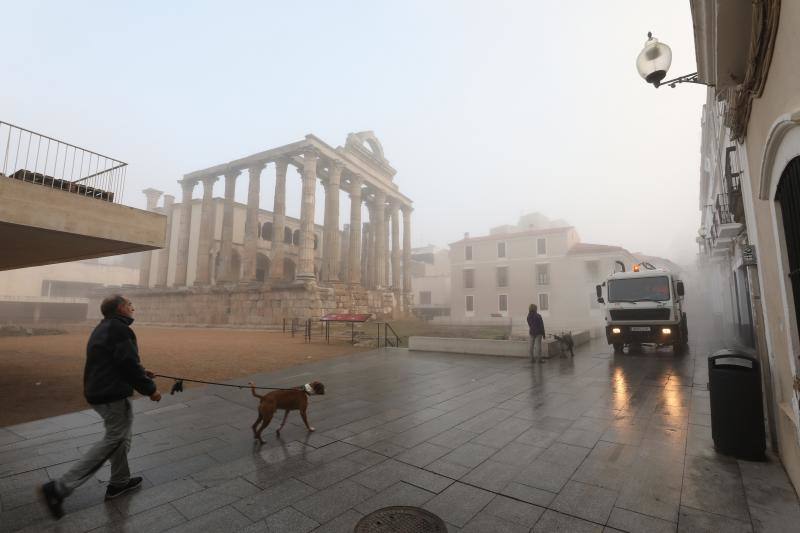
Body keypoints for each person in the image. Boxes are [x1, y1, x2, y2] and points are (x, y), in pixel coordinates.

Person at [40, 295, 161, 519]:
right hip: (112, 393)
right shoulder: (121, 330)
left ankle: (119, 482)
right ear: (121, 308)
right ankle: (60, 487)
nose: (133, 308)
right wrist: (150, 389)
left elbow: (114, 360)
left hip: (100, 390)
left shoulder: (105, 327)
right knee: (114, 439)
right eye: (130, 305)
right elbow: (127, 363)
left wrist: (142, 371)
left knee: (121, 438)